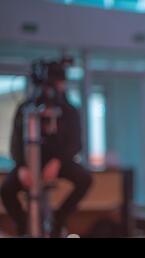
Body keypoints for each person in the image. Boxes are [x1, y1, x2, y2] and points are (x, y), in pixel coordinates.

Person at [0, 63, 92, 237]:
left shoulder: (69, 111)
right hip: (28, 162)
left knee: (85, 180)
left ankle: (59, 218)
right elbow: (16, 142)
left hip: (59, 161)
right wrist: (21, 166)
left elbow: (75, 143)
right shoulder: (26, 109)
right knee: (6, 190)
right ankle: (23, 224)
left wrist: (58, 161)